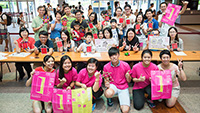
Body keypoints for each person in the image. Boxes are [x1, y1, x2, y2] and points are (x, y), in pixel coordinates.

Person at [103, 47, 131, 113]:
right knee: (108, 93)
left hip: (123, 86)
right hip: (113, 85)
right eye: (111, 56)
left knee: (125, 110)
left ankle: (121, 97)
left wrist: (128, 76)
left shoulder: (125, 65)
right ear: (109, 57)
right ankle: (109, 98)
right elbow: (106, 79)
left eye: (115, 55)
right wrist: (106, 83)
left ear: (118, 55)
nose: (114, 57)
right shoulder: (106, 67)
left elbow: (129, 81)